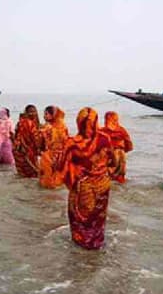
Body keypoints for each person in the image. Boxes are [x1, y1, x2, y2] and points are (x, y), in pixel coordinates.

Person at [59, 107, 115, 250]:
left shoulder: (71, 143)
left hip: (82, 187)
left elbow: (59, 165)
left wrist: (75, 169)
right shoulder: (105, 138)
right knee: (98, 217)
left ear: (78, 122)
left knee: (79, 217)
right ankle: (95, 244)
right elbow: (112, 161)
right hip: (102, 185)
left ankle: (82, 245)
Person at [38, 106, 69, 188]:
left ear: (53, 115)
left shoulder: (47, 128)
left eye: (46, 114)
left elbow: (41, 143)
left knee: (47, 181)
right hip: (61, 156)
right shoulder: (63, 126)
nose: (44, 116)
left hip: (49, 157)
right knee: (58, 180)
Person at [100, 111, 134, 183]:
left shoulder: (102, 131)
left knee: (107, 178)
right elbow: (130, 146)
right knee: (120, 178)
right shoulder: (122, 130)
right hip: (120, 155)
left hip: (110, 156)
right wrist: (124, 150)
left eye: (106, 120)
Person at [13, 105, 41, 178]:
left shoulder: (21, 122)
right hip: (24, 150)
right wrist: (39, 149)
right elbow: (36, 138)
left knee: (23, 175)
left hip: (19, 149)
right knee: (33, 174)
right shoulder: (29, 123)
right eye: (30, 112)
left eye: (34, 111)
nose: (32, 113)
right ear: (26, 112)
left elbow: (15, 134)